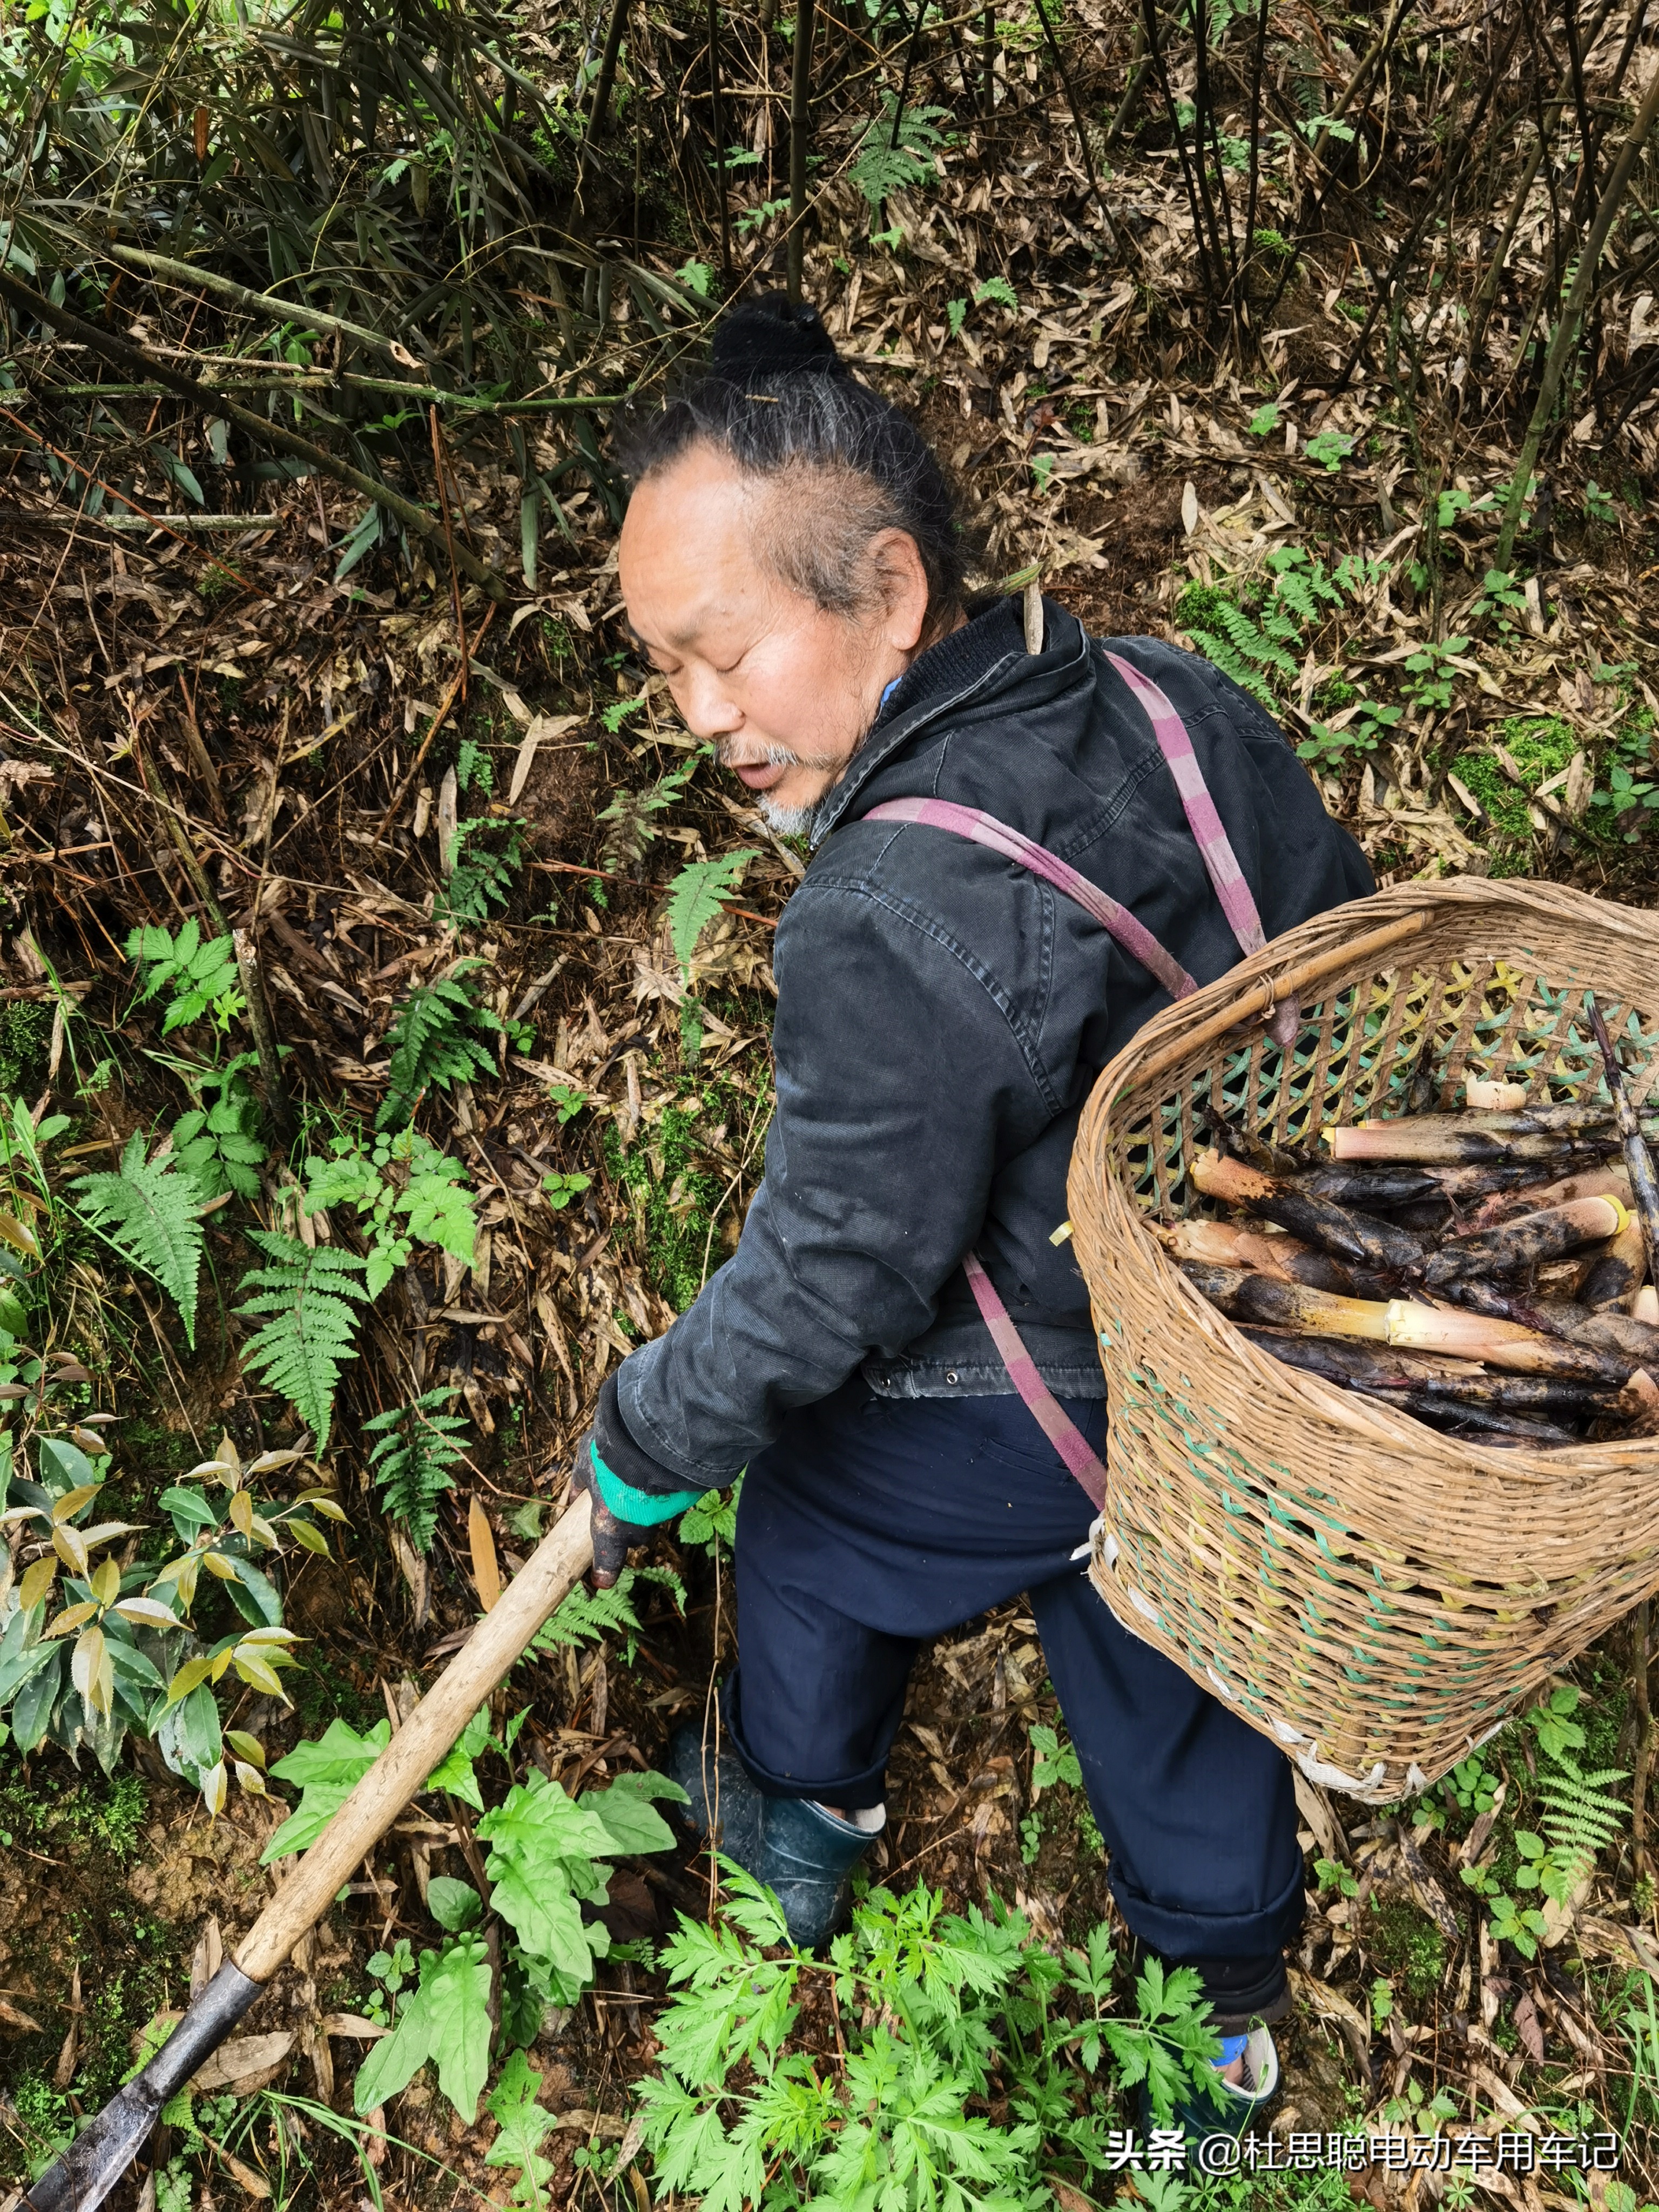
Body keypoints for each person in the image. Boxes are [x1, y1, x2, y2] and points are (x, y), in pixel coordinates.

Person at [575, 293, 1374, 2136]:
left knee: (807, 1517)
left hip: (1079, 1384)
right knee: (1160, 1634)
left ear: (892, 592)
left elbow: (837, 1276)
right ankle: (1223, 2049)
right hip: (1266, 1331)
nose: (696, 713)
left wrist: (646, 1436)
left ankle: (796, 1824)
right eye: (659, 666)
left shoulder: (881, 906)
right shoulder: (1172, 689)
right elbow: (1331, 940)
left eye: (724, 653)